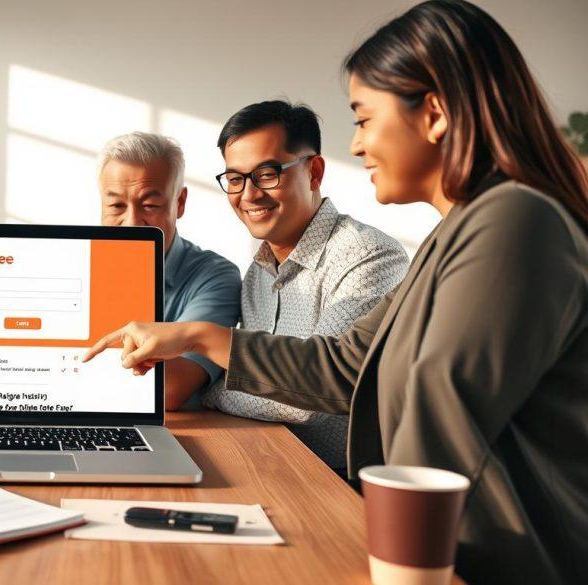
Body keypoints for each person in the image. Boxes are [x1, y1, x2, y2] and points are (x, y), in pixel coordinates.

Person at [83, 2, 588, 582]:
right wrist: (199, 336)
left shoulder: (515, 222)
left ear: (435, 114)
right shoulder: (460, 234)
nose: (358, 144)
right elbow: (350, 366)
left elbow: (437, 429)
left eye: (365, 117)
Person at [203, 100, 408, 471]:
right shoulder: (257, 274)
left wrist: (212, 392)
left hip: (344, 489)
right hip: (271, 465)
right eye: (235, 179)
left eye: (267, 174)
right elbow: (262, 388)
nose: (248, 194)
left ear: (314, 171)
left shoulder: (370, 256)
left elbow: (306, 399)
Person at [98, 132, 241, 410]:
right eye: (116, 206)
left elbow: (169, 390)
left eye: (150, 205)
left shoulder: (215, 277)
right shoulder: (70, 267)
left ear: (180, 203)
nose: (131, 224)